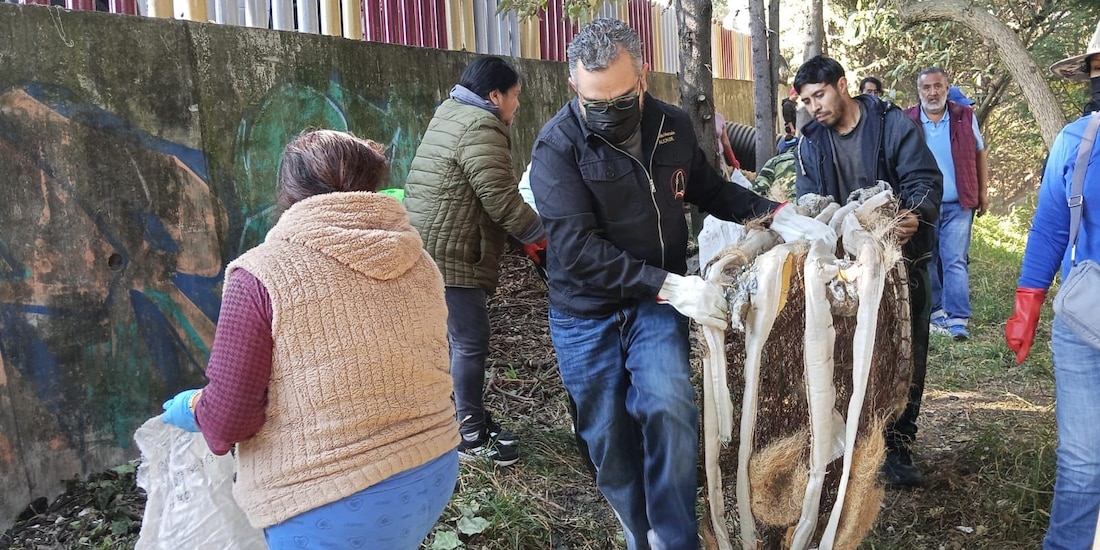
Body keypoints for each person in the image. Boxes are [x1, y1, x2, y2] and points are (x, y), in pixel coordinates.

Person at [528, 18, 835, 549]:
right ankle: (636, 524)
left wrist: (773, 214)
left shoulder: (672, 127)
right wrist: (672, 285)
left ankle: (674, 537)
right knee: (607, 438)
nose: (607, 113)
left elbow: (709, 190)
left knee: (670, 406)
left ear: (642, 77)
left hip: (654, 303)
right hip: (586, 310)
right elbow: (576, 251)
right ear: (573, 86)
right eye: (593, 101)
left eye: (621, 99)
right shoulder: (557, 147)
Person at [160, 130, 459, 548]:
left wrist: (192, 409)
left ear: (287, 192)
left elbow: (230, 417)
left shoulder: (260, 274)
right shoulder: (419, 261)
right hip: (433, 467)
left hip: (330, 499)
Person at [793, 55, 943, 487]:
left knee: (905, 351)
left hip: (900, 261)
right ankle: (850, 445)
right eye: (806, 101)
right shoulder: (809, 142)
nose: (814, 107)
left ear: (842, 85)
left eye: (819, 95)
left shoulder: (892, 124)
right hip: (843, 271)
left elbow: (924, 178)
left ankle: (896, 446)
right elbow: (809, 203)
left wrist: (916, 213)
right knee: (845, 355)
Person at [404, 56, 546, 467]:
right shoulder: (482, 125)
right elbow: (501, 200)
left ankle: (461, 417)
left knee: (453, 339)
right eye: (515, 96)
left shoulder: (451, 112)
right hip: (451, 250)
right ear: (494, 95)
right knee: (469, 340)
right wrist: (542, 236)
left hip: (428, 242)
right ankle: (467, 434)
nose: (516, 105)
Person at [1007, 20, 1100, 549]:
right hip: (1085, 320)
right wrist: (1028, 301)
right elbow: (1047, 226)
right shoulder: (1077, 140)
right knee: (1084, 464)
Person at [904, 71, 989, 341]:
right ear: (919, 91)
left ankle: (958, 318)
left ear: (946, 88)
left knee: (955, 260)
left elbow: (979, 152)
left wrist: (983, 191)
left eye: (938, 86)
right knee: (928, 260)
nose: (932, 92)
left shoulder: (964, 116)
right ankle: (936, 312)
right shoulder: (909, 120)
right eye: (927, 87)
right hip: (923, 206)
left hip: (959, 203)